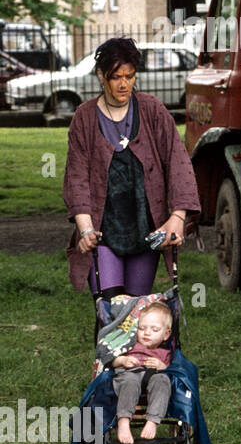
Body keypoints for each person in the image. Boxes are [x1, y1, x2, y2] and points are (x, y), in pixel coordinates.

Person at [63, 38, 200, 315]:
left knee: (137, 314)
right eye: (116, 77)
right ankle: (109, 359)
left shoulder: (153, 111)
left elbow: (178, 163)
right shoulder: (84, 118)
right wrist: (85, 228)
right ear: (101, 76)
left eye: (130, 76)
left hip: (145, 231)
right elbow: (76, 177)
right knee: (110, 311)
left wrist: (177, 217)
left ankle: (137, 360)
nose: (124, 84)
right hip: (103, 232)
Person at [109, 302, 173, 443]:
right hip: (128, 376)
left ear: (166, 334)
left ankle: (152, 420)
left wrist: (162, 366)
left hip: (152, 378)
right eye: (142, 328)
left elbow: (172, 370)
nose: (147, 333)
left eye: (154, 329)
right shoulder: (129, 344)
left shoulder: (165, 353)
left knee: (163, 380)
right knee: (130, 380)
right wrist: (123, 360)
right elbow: (110, 361)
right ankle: (124, 421)